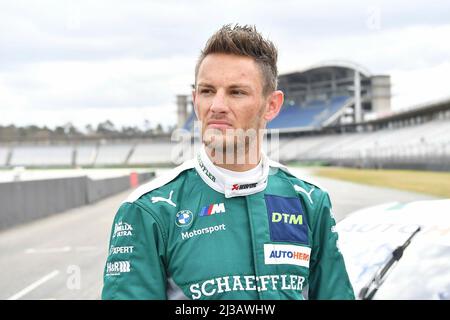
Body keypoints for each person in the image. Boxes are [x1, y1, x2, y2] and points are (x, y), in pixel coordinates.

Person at [101, 24, 355, 300]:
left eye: (236, 92)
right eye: (208, 91)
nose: (217, 106)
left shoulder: (310, 202)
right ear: (195, 98)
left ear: (271, 105)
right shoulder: (149, 210)